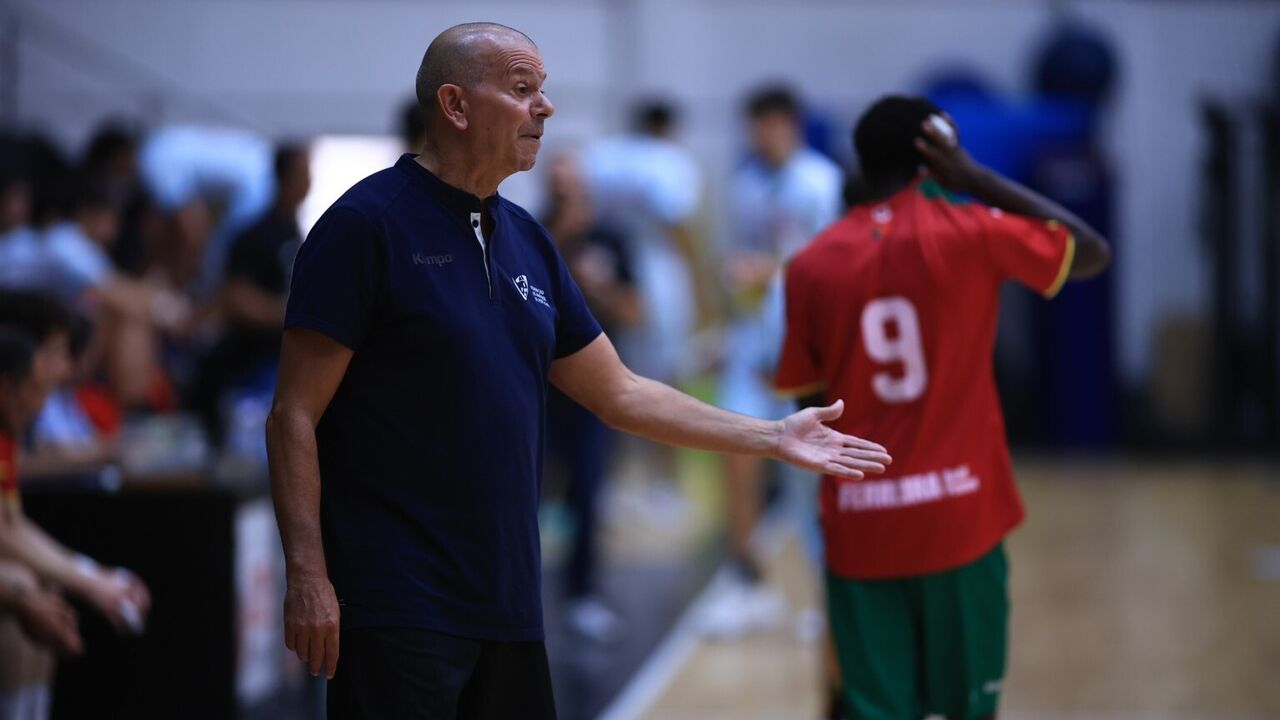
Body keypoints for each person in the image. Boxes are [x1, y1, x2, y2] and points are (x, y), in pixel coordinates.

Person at [266, 22, 891, 720]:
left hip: (509, 604)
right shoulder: (365, 226)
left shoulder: (529, 240)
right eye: (522, 88)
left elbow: (619, 392)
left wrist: (773, 434)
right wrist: (309, 575)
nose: (547, 107)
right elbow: (293, 414)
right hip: (397, 603)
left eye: (545, 90)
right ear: (456, 104)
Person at [776, 96, 1110, 720]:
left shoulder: (810, 266)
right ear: (937, 155)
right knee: (968, 710)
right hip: (961, 517)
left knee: (876, 710)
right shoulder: (972, 229)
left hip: (861, 523)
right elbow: (1089, 251)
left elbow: (808, 406)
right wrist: (978, 179)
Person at [705, 84, 843, 640]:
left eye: (771, 124)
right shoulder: (743, 187)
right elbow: (735, 263)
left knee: (810, 480)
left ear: (792, 124)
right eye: (754, 126)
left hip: (806, 350)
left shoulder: (822, 183)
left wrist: (774, 270)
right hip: (750, 346)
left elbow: (837, 265)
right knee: (734, 458)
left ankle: (827, 596)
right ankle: (749, 587)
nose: (762, 136)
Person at [540, 151, 641, 642]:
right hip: (537, 386)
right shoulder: (531, 231)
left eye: (574, 185)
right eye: (559, 186)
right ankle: (515, 596)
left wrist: (598, 288)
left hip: (593, 386)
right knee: (522, 493)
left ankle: (582, 596)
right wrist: (561, 236)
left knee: (587, 492)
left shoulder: (613, 238)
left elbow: (635, 308)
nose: (567, 194)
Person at [188, 143, 310, 444]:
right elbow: (234, 297)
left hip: (277, 361)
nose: (309, 181)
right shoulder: (257, 234)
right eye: (304, 173)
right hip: (247, 366)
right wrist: (289, 314)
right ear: (286, 177)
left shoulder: (293, 232)